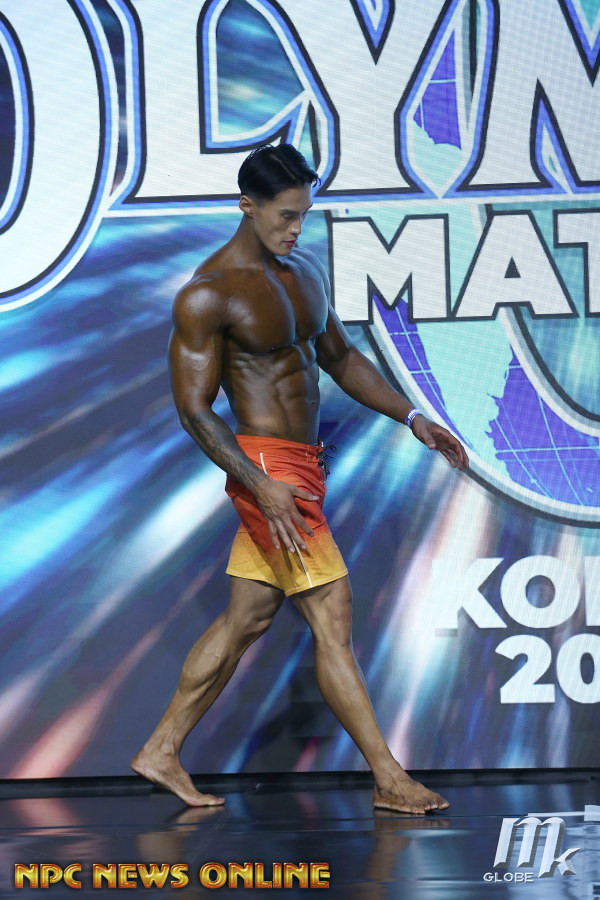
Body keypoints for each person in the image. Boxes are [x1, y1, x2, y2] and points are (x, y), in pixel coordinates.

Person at [132, 144, 469, 814]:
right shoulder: (208, 294)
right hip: (268, 471)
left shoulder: (303, 273)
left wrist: (412, 417)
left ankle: (161, 750)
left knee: (248, 617)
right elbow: (194, 410)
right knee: (331, 615)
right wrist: (257, 483)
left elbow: (340, 358)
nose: (296, 228)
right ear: (246, 207)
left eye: (303, 215)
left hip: (303, 466)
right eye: (285, 215)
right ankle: (389, 779)